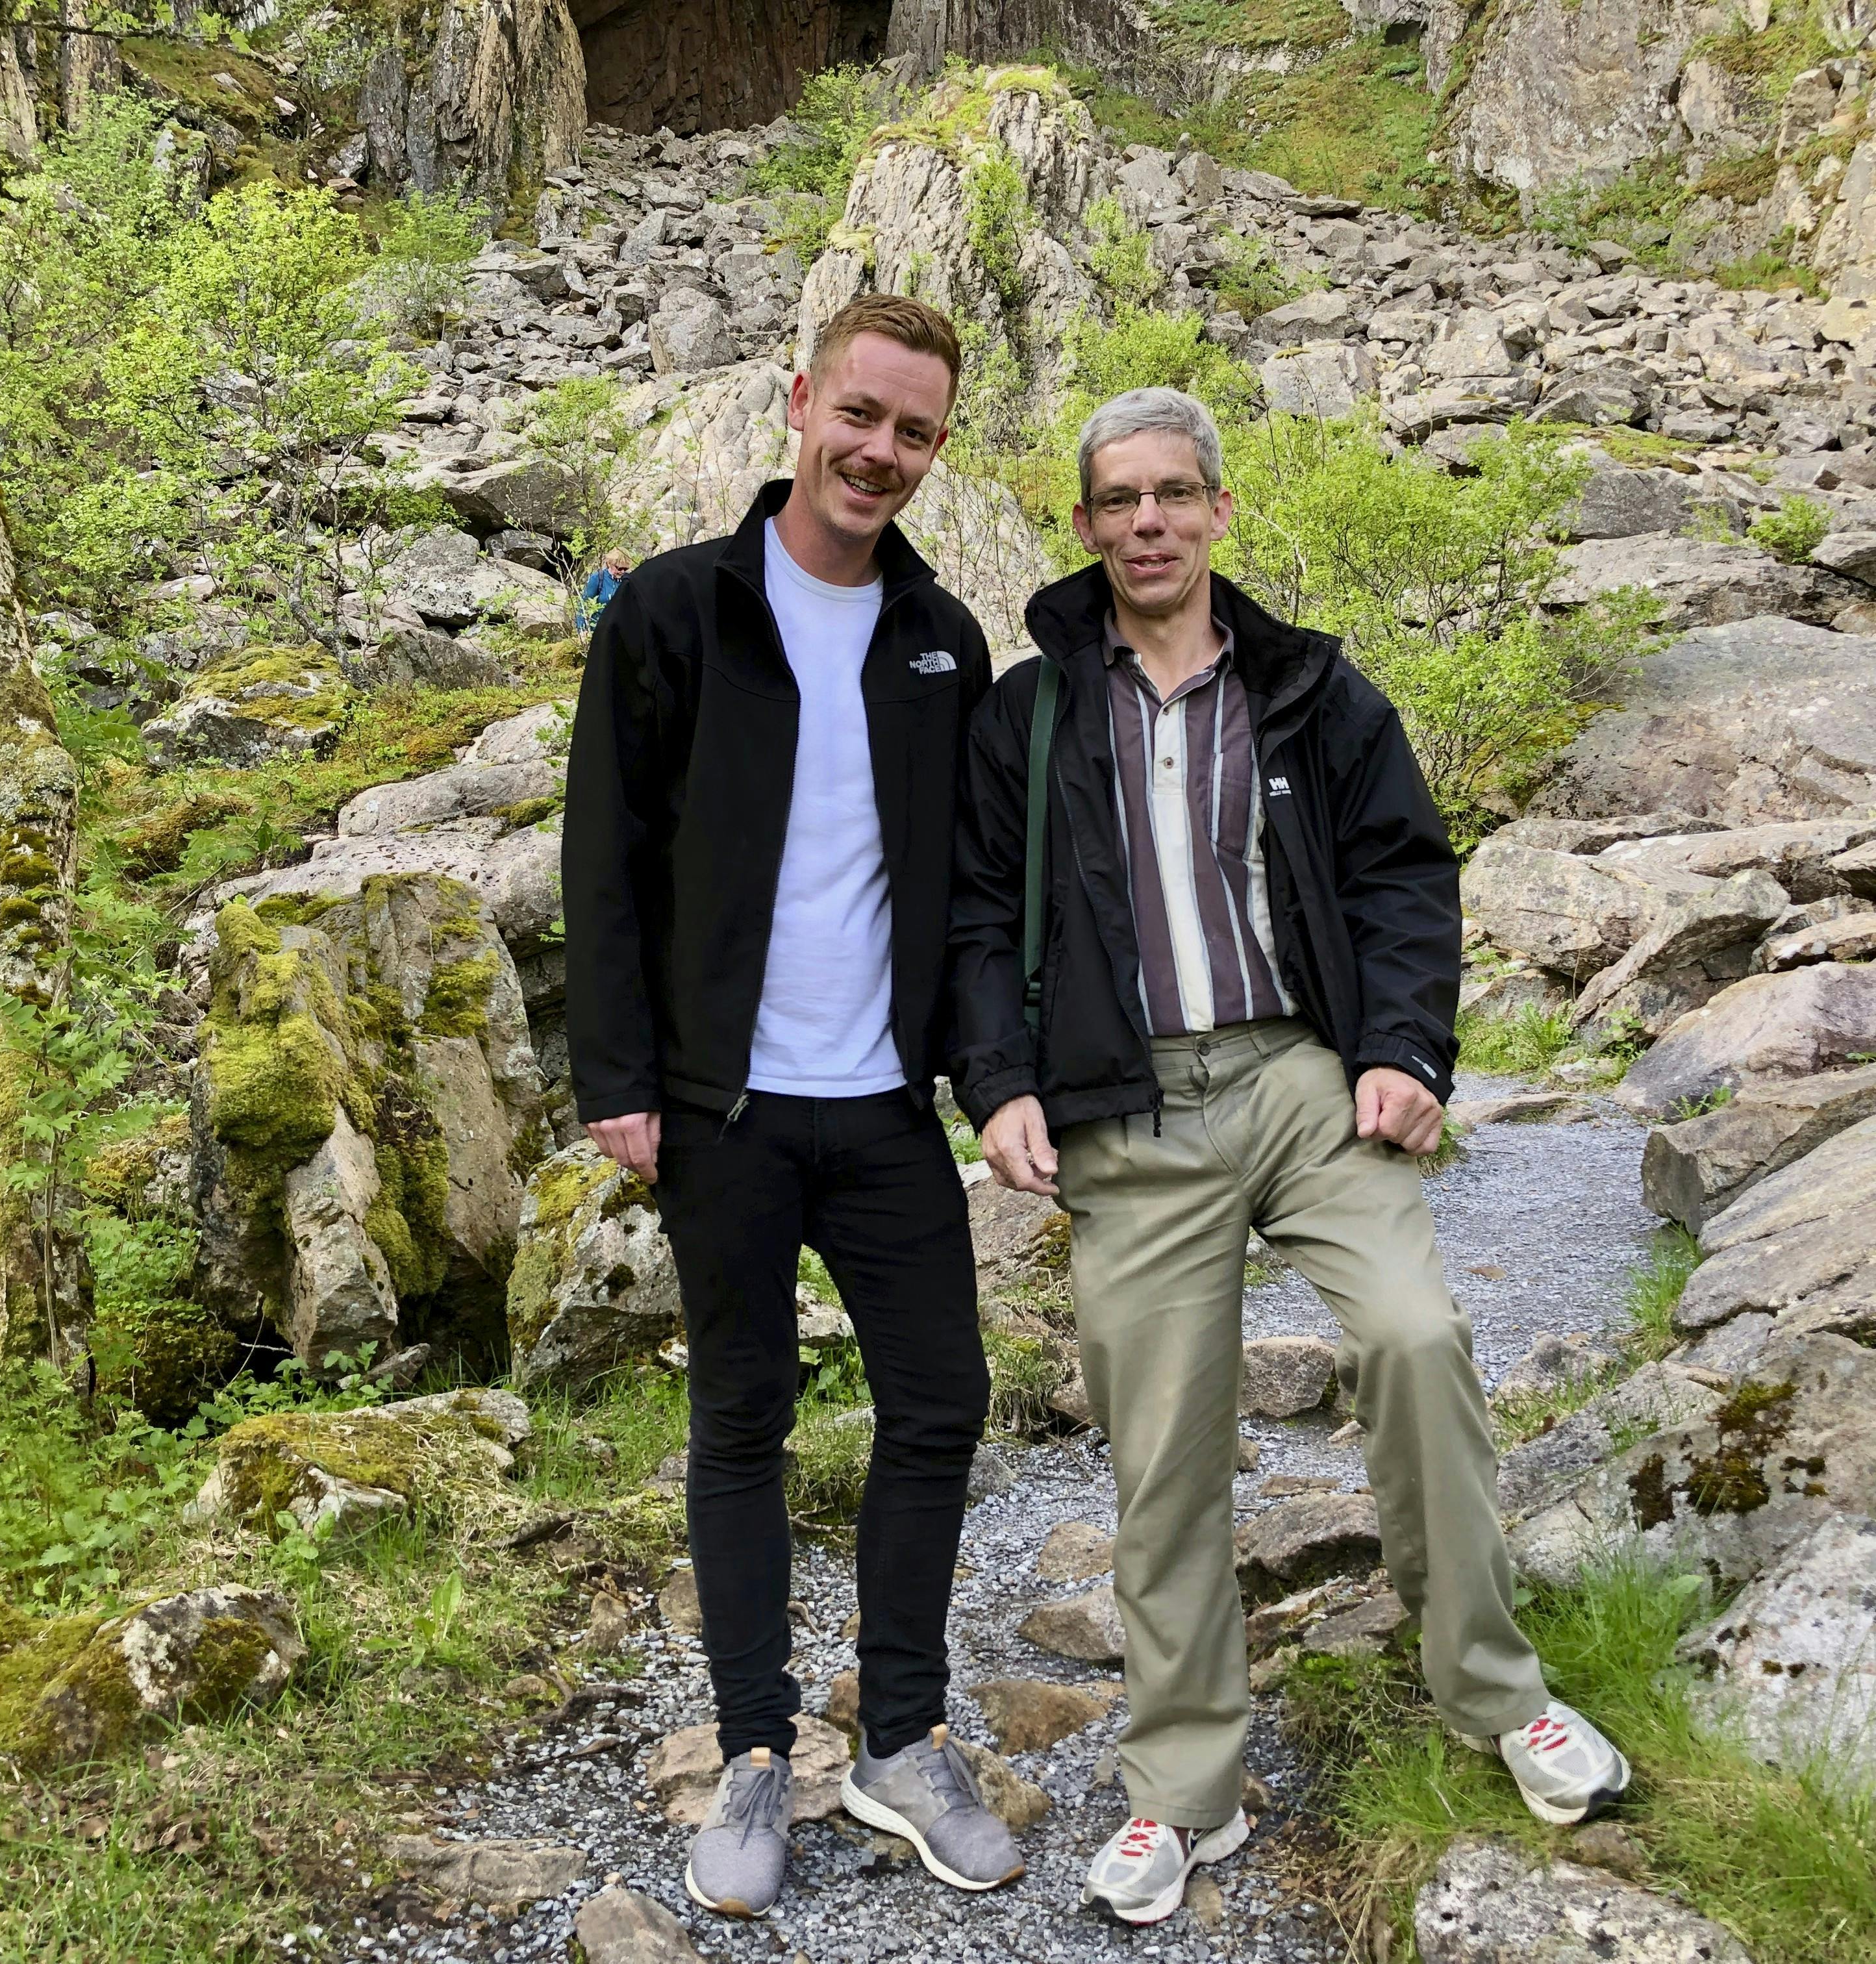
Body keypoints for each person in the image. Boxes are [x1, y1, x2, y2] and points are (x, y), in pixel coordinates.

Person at [947, 387, 1631, 1928]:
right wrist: (995, 1083)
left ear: (1219, 510)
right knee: (1164, 1441)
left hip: (1303, 1078)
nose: (1147, 524)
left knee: (1414, 1332)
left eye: (1173, 495)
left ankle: (1495, 1692)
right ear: (1084, 524)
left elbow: (1403, 877)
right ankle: (1184, 1789)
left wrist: (1406, 1053)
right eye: (1117, 500)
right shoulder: (1030, 709)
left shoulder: (1315, 689)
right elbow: (977, 914)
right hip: (1129, 1113)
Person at [559, 294, 1025, 1921]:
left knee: (941, 1403)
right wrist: (617, 1078)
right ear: (800, 402)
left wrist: (996, 1082)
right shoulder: (679, 613)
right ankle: (756, 1749)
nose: (880, 452)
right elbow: (602, 861)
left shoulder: (942, 641)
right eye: (862, 415)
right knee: (741, 1421)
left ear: (938, 448)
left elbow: (971, 895)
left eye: (913, 431)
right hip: (725, 1115)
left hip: (889, 1111)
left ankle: (900, 1736)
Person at [576, 548, 632, 631]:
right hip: (598, 628)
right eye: (619, 568)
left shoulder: (628, 580)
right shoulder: (598, 578)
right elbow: (584, 605)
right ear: (610, 564)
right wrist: (582, 630)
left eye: (625, 569)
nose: (622, 572)